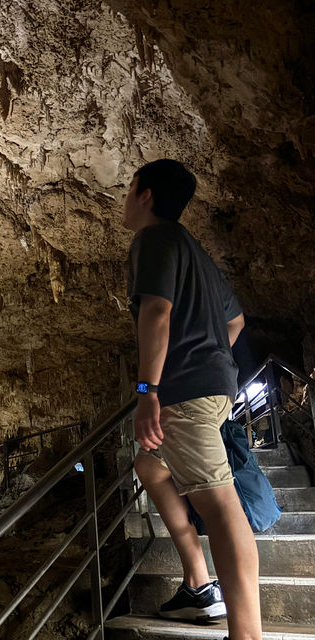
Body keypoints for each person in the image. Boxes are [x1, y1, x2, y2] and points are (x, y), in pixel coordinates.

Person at [124, 159, 260, 640]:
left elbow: (156, 313)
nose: (126, 196)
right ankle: (199, 581)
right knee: (149, 466)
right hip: (214, 387)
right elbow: (235, 322)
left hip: (181, 392)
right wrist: (210, 357)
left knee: (221, 507)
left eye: (130, 187)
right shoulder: (195, 251)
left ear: (145, 194)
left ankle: (246, 634)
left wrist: (148, 391)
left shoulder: (154, 239)